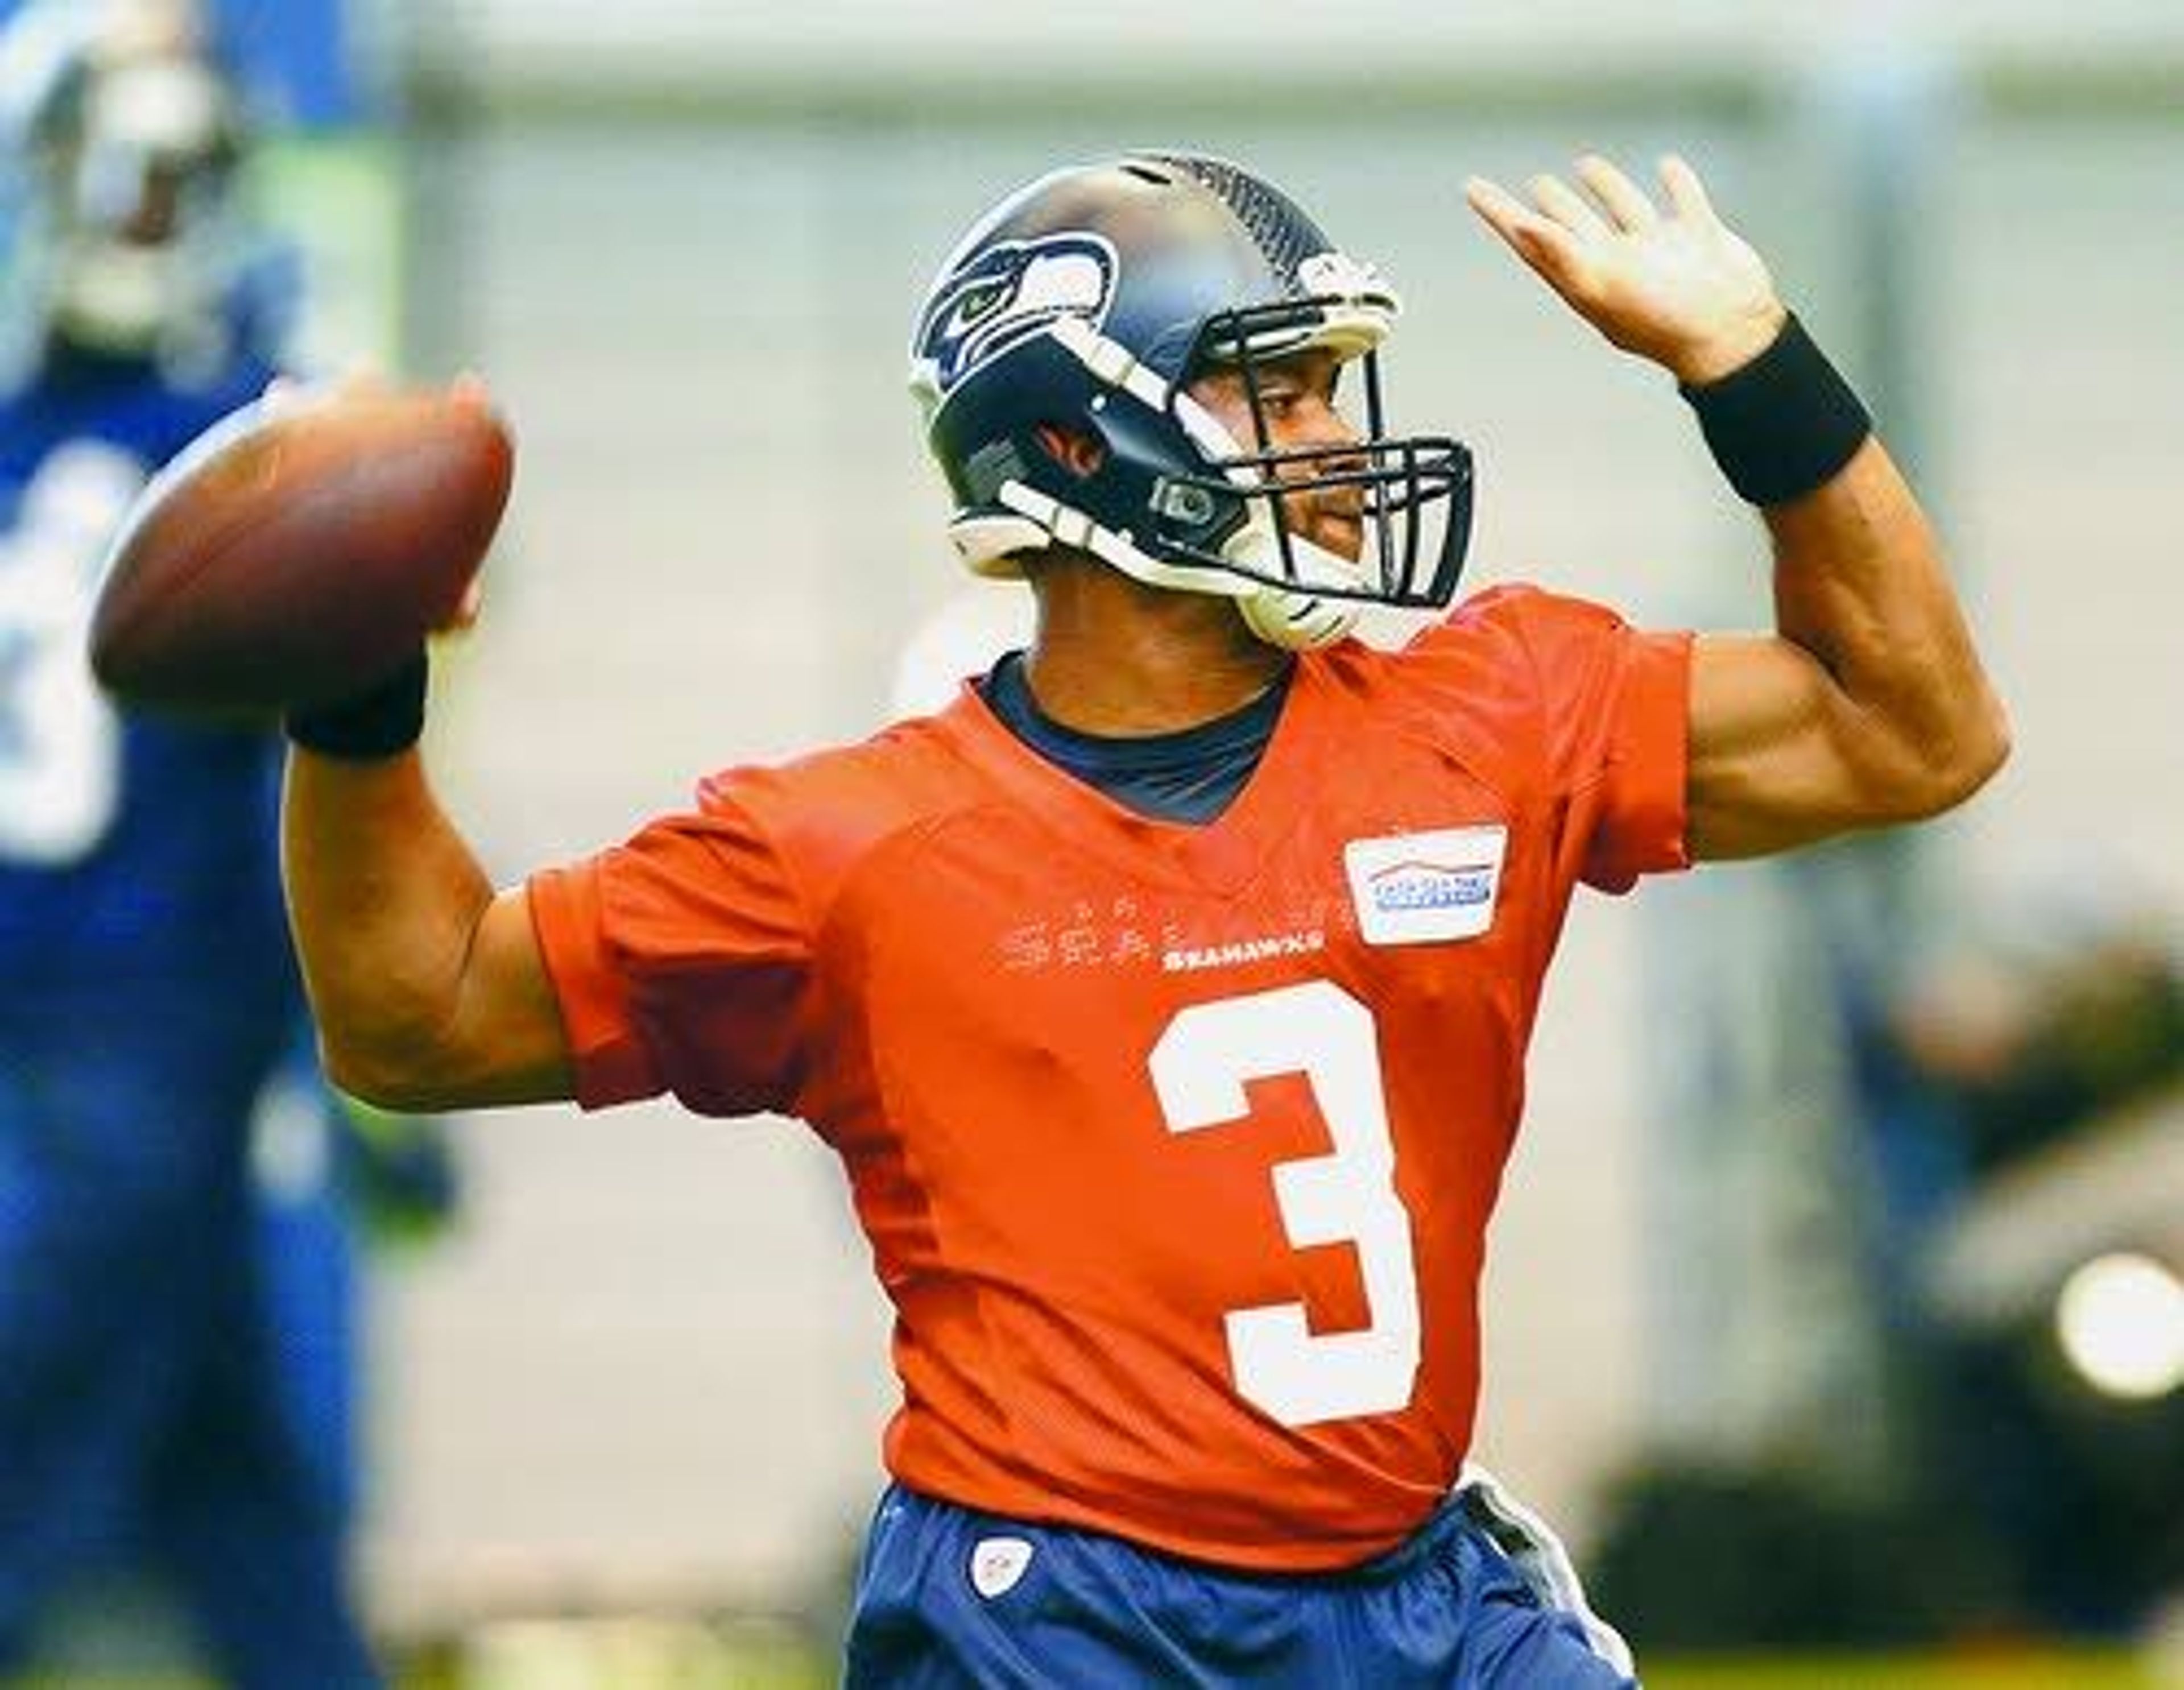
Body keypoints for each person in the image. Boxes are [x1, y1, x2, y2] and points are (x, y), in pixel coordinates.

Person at [281, 148, 2009, 1685]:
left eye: (1337, 385)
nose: (1341, 441)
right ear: (1076, 439)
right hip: (1061, 1617)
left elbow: (1916, 728)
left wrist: (1753, 370)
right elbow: (419, 1011)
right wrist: (355, 690)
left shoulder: (1488, 714)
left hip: (1416, 1587)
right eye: (1284, 393)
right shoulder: (851, 848)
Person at [0, 2, 380, 1684]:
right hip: (133, 1028)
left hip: (132, 1026)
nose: (151, 224)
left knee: (196, 1483)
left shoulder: (238, 424)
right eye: (131, 187)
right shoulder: (242, 427)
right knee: (200, 1476)